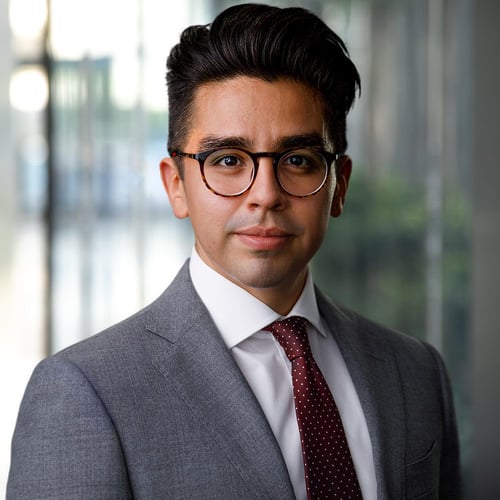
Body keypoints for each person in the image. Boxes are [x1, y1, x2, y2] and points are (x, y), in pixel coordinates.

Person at [8, 3, 462, 499]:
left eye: (298, 160)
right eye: (227, 160)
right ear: (176, 185)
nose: (265, 194)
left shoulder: (414, 370)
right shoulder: (84, 393)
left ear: (340, 185)